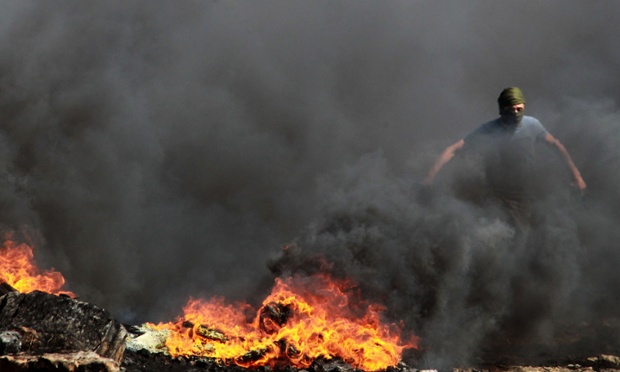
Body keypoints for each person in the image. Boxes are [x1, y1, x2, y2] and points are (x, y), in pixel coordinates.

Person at [423, 87, 587, 230]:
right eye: (511, 110)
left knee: (522, 238)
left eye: (519, 109)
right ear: (502, 109)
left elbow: (556, 145)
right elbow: (455, 149)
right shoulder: (489, 129)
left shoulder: (532, 125)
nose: (515, 114)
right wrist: (430, 176)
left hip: (523, 194)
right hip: (496, 195)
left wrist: (576, 176)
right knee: (494, 235)